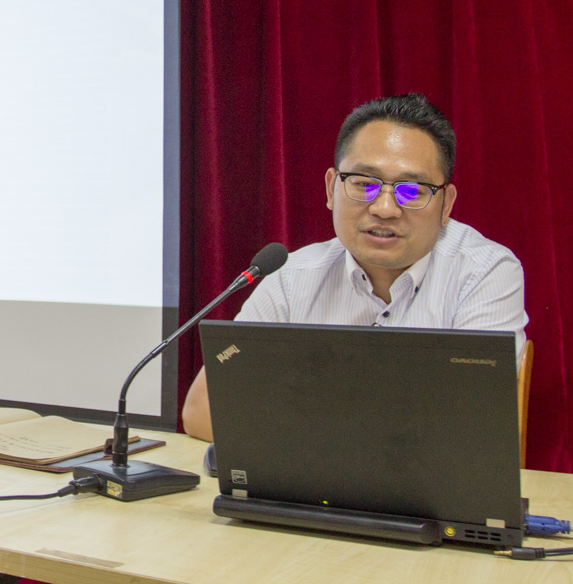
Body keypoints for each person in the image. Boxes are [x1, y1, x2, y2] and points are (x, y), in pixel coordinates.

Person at [182, 93, 527, 442]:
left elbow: (467, 425)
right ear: (332, 188)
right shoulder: (291, 277)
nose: (385, 208)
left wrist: (299, 429)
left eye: (412, 190)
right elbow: (203, 410)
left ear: (446, 204)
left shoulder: (485, 273)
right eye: (364, 184)